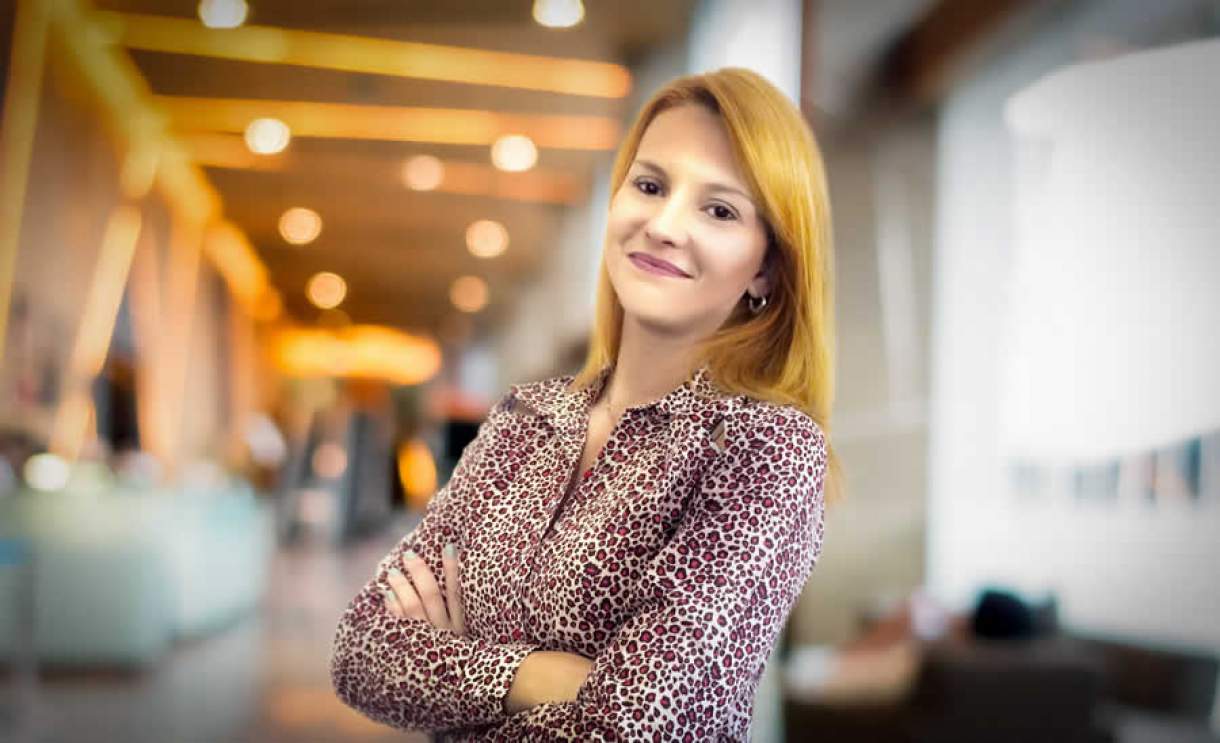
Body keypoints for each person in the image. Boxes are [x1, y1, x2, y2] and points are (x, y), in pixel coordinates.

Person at [330, 66, 840, 741]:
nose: (663, 225)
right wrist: (541, 675)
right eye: (650, 186)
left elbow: (640, 723)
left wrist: (453, 684)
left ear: (766, 268)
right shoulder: (528, 419)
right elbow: (361, 649)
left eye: (719, 210)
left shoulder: (764, 450)